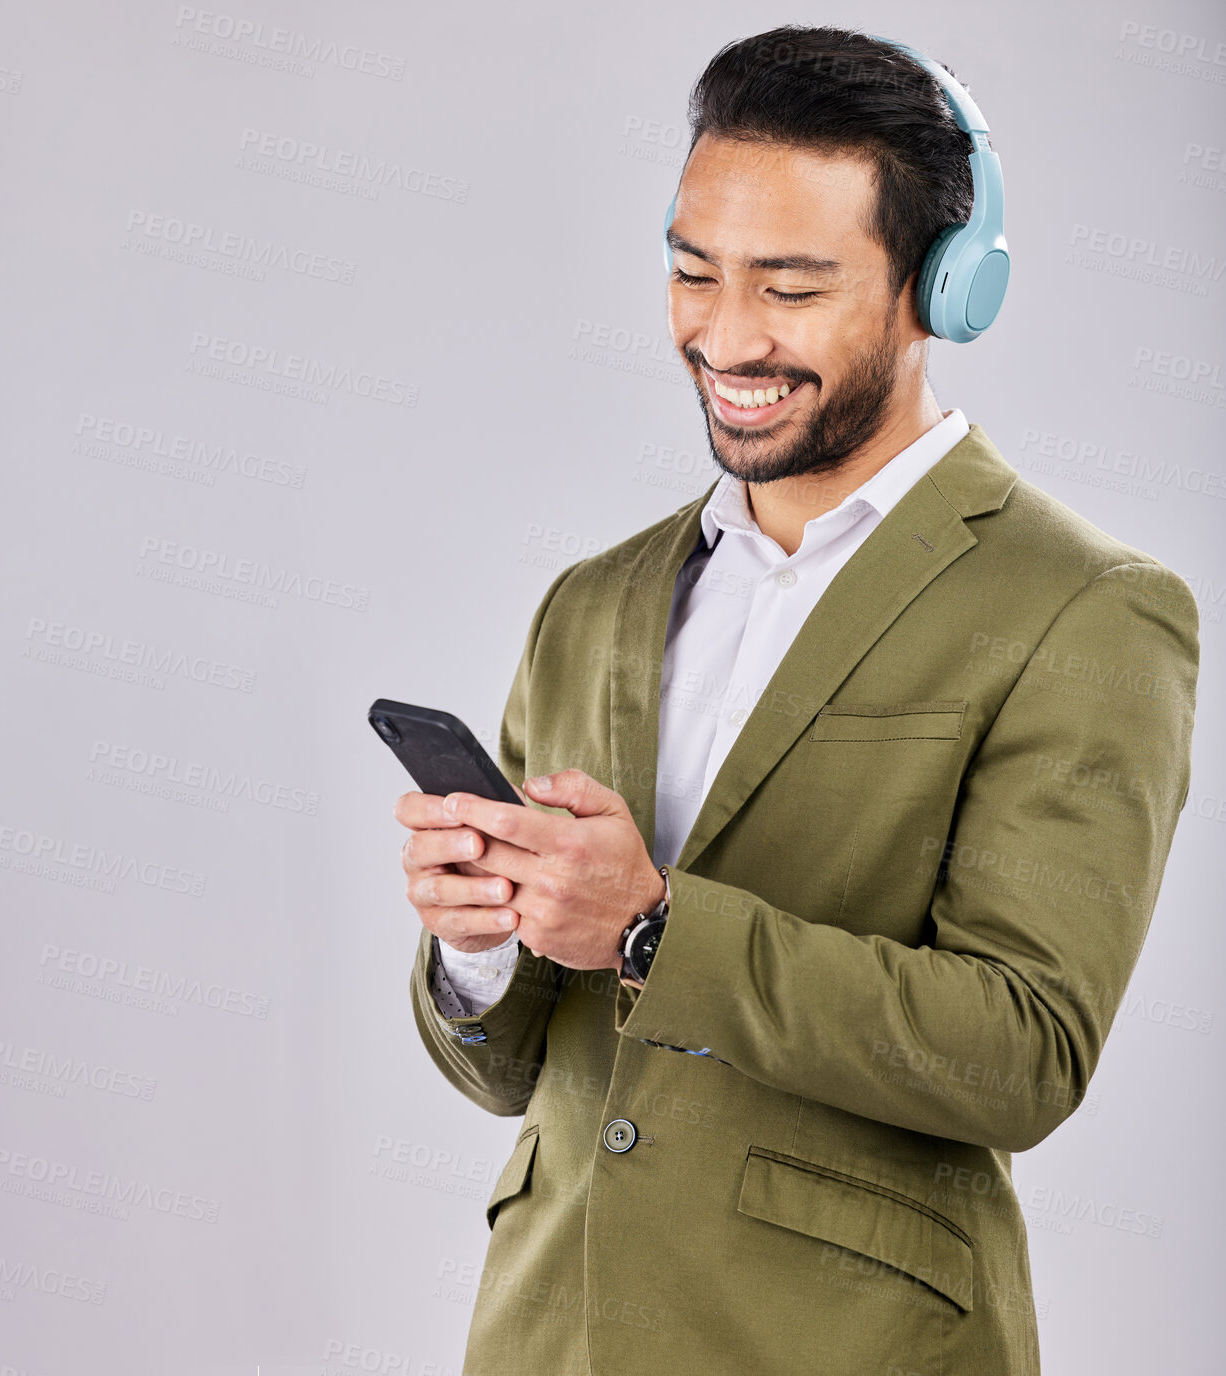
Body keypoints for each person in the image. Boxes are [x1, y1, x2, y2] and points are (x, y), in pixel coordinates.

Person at [392, 26, 1198, 1376]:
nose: (726, 333)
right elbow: (516, 1071)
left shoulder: (1084, 608)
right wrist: (480, 940)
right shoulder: (591, 602)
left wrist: (653, 931)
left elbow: (1024, 1052)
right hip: (550, 1339)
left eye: (791, 286)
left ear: (938, 291)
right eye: (693, 270)